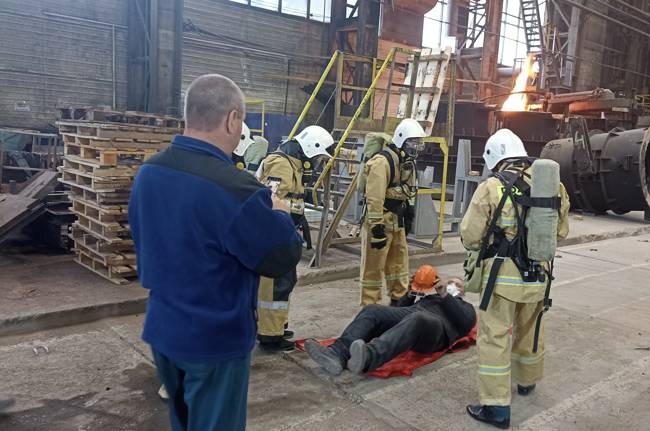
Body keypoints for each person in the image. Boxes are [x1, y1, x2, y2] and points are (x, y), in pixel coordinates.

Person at [128, 74, 303, 431]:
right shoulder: (235, 189)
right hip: (213, 341)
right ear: (232, 119)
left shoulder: (149, 172)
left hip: (163, 329)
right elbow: (281, 257)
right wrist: (281, 215)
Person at [461, 129, 570, 428]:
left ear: (495, 158)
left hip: (503, 280)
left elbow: (470, 235)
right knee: (531, 330)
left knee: (494, 338)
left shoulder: (491, 187)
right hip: (540, 275)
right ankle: (527, 381)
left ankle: (496, 408)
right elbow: (560, 232)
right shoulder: (552, 185)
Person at [305, 265, 476, 375]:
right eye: (451, 281)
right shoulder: (430, 298)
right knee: (373, 310)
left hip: (436, 330)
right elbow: (398, 310)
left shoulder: (466, 308)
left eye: (457, 284)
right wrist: (411, 292)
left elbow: (464, 322)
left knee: (418, 318)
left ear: (462, 292)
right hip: (413, 313)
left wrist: (445, 295)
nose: (453, 284)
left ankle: (368, 357)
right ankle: (337, 353)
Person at [253, 125, 334, 351]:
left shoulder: (292, 164)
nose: (316, 164)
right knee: (273, 287)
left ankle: (276, 326)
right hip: (272, 237)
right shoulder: (281, 164)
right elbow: (269, 201)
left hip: (284, 233)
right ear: (309, 148)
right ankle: (269, 336)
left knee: (285, 283)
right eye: (316, 157)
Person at [360, 118, 426, 306]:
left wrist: (409, 211)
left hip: (397, 221)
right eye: (414, 143)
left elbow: (410, 189)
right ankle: (370, 308)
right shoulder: (382, 162)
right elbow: (374, 198)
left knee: (399, 266)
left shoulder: (407, 162)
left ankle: (399, 302)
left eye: (419, 144)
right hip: (379, 223)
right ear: (402, 140)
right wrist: (376, 228)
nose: (417, 147)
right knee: (373, 270)